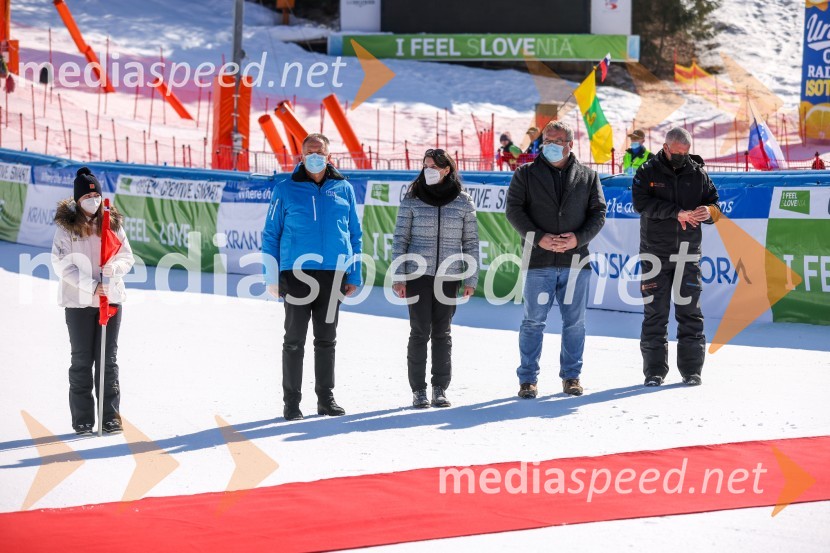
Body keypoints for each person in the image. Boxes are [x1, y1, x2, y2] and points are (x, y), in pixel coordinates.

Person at [262, 133, 363, 421]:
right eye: (309, 151)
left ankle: (325, 399)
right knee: (294, 339)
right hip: (296, 273)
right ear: (301, 155)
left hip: (334, 273)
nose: (314, 155)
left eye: (320, 151)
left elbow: (355, 234)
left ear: (329, 156)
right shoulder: (285, 189)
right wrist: (272, 275)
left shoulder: (344, 189)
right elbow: (271, 234)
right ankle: (291, 402)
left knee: (326, 339)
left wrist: (354, 271)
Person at [505, 121, 606, 398]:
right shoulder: (525, 173)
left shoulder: (588, 176)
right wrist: (537, 237)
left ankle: (571, 377)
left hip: (576, 262)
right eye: (546, 140)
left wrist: (578, 238)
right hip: (539, 261)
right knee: (533, 322)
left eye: (556, 140)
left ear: (570, 144)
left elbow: (598, 213)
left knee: (575, 323)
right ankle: (527, 379)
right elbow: (513, 209)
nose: (549, 145)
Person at [632, 126, 720, 387]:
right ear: (666, 148)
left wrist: (709, 211)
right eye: (678, 152)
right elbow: (641, 203)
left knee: (691, 313)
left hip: (688, 255)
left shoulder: (698, 173)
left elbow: (716, 204)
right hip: (654, 255)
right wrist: (676, 212)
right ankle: (654, 372)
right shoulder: (647, 171)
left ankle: (692, 371)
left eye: (687, 152)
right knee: (655, 314)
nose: (683, 156)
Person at [392, 149, 480, 409]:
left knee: (442, 332)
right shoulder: (412, 199)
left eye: (433, 166)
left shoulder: (463, 201)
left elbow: (471, 242)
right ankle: (418, 390)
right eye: (425, 165)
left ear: (446, 170)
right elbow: (400, 240)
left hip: (449, 277)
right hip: (417, 275)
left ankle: (439, 388)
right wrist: (399, 276)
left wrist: (471, 278)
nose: (428, 169)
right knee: (419, 331)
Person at [51, 167, 135, 435]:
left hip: (110, 300)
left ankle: (110, 416)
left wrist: (113, 272)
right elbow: (62, 265)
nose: (93, 200)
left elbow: (126, 257)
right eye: (87, 197)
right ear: (78, 201)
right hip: (78, 303)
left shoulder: (111, 224)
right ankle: (83, 418)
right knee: (81, 361)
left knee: (108, 361)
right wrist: (92, 286)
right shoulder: (67, 229)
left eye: (96, 195)